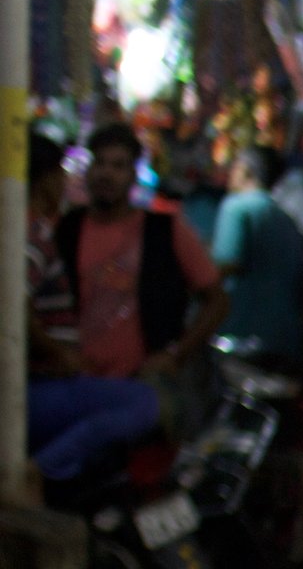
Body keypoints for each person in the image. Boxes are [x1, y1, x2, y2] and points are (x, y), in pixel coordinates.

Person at [24, 130, 161, 486]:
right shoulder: (34, 233)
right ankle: (39, 472)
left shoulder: (39, 229)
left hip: (55, 382)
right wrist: (58, 353)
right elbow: (14, 309)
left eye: (118, 166)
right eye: (99, 164)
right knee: (143, 404)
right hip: (37, 387)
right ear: (48, 180)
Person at [54, 121, 228, 388]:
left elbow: (217, 301)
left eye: (118, 166)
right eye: (99, 163)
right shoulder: (67, 229)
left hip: (143, 386)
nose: (106, 174)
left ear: (133, 175)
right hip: (77, 382)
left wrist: (174, 355)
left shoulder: (165, 230)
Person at [212, 144, 303, 367]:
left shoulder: (236, 208)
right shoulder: (288, 220)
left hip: (242, 336)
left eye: (234, 167)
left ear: (246, 171)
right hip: (286, 339)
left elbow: (224, 265)